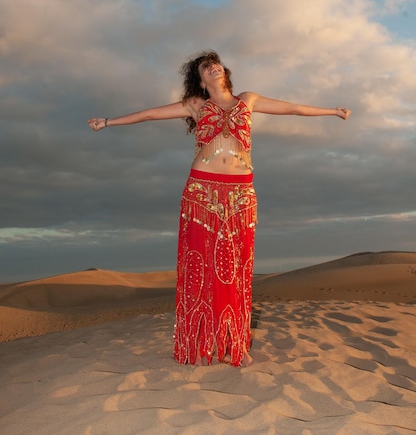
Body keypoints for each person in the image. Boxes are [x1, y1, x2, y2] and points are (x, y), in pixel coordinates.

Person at [88, 50, 351, 367]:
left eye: (214, 63)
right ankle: (200, 345)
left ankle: (235, 344)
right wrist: (108, 122)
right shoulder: (196, 105)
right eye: (204, 67)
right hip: (201, 192)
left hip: (241, 193)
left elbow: (292, 109)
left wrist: (333, 111)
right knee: (201, 268)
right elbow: (148, 115)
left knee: (236, 272)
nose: (211, 67)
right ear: (200, 81)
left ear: (224, 71)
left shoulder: (248, 100)